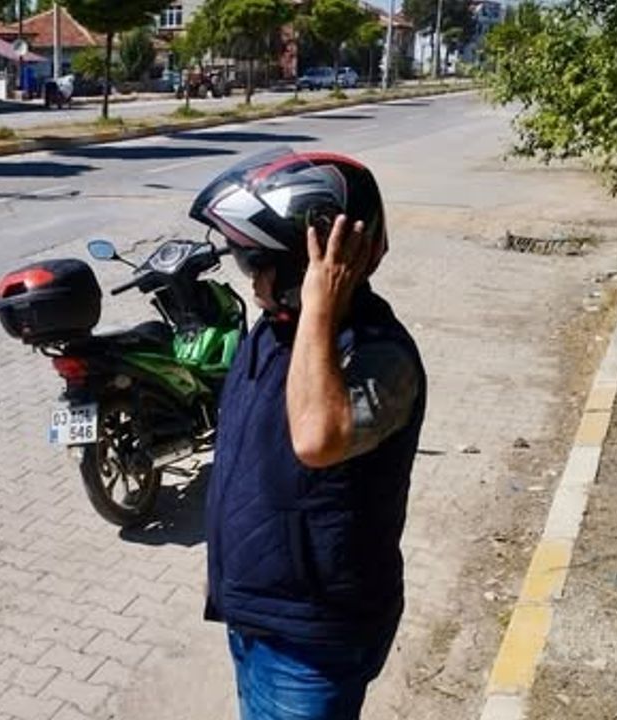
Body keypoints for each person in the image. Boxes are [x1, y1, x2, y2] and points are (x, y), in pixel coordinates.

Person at [190, 150, 426, 720]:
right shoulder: (276, 332)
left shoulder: (379, 354)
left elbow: (317, 439)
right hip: (258, 613)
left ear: (308, 266)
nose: (250, 280)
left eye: (256, 262)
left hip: (312, 639)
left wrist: (320, 306)